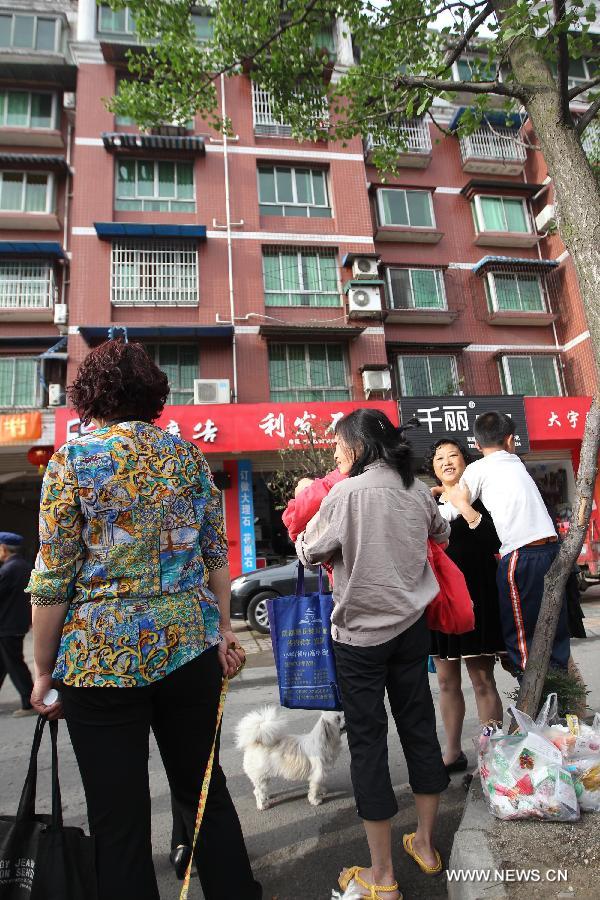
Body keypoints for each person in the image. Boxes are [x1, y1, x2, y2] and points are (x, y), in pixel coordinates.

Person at [27, 339, 262, 900]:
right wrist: (225, 631)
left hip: (100, 661)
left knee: (119, 817)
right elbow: (213, 555)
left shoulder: (73, 461)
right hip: (187, 649)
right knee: (203, 793)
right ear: (153, 394)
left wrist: (42, 668)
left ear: (89, 395)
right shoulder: (186, 458)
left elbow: (53, 577)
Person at [297, 408, 450, 900]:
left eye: (340, 446)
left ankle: (381, 876)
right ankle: (425, 846)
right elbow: (441, 534)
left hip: (360, 640)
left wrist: (307, 514)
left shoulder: (343, 494)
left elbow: (310, 550)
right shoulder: (417, 490)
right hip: (411, 631)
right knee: (420, 729)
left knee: (368, 743)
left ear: (359, 447)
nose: (336, 454)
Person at [447, 410, 570, 675]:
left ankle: (533, 703)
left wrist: (439, 503)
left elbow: (455, 508)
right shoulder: (517, 463)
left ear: (477, 445)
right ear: (511, 439)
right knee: (554, 627)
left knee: (521, 635)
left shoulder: (477, 468)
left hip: (520, 556)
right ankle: (559, 694)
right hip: (552, 551)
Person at [426, 439, 505, 773]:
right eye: (439, 457)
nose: (446, 462)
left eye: (453, 455)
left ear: (465, 461)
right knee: (445, 682)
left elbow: (494, 543)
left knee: (482, 679)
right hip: (441, 603)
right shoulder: (428, 505)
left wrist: (467, 507)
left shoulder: (481, 497)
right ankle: (452, 752)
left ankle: (493, 754)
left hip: (476, 601)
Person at [0, 531, 35, 717]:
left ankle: (29, 703)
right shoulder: (24, 566)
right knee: (4, 663)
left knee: (14, 665)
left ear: (4, 548)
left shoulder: (8, 569)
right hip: (16, 624)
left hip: (7, 625)